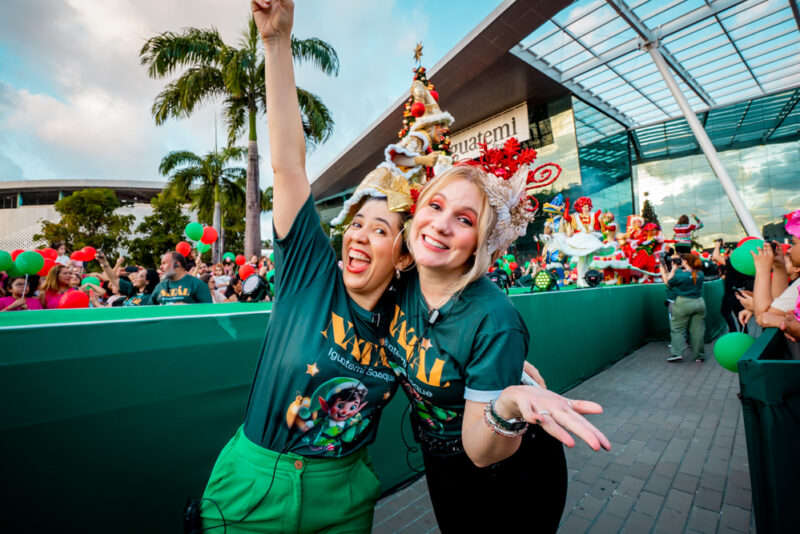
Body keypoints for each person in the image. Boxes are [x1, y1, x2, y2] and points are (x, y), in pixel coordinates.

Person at [194, 3, 415, 532]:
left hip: (344, 500)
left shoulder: (411, 315)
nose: (359, 235)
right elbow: (289, 164)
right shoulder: (310, 272)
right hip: (252, 491)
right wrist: (275, 43)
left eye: (380, 230)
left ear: (403, 255)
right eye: (357, 223)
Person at [384, 162, 610, 533]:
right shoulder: (399, 281)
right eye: (436, 206)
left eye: (465, 220)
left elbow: (480, 450)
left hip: (508, 473)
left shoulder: (495, 320)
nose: (442, 225)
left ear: (482, 241)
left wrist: (506, 403)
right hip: (438, 458)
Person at [660, 254, 706, 362]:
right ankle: (699, 356)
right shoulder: (701, 273)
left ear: (685, 261)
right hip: (699, 302)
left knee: (677, 329)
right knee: (697, 331)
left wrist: (673, 269)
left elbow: (669, 282)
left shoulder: (681, 276)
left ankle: (676, 353)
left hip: (683, 303)